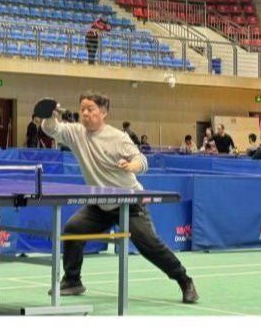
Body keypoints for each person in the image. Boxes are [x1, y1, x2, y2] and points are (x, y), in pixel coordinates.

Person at [39, 93, 196, 303]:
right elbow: (51, 130)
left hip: (129, 202)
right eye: (82, 109)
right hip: (100, 203)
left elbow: (142, 160)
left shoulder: (118, 138)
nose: (85, 113)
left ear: (103, 113)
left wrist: (132, 166)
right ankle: (72, 280)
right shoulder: (75, 133)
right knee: (73, 229)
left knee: (149, 245)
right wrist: (49, 115)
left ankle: (184, 280)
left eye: (90, 109)